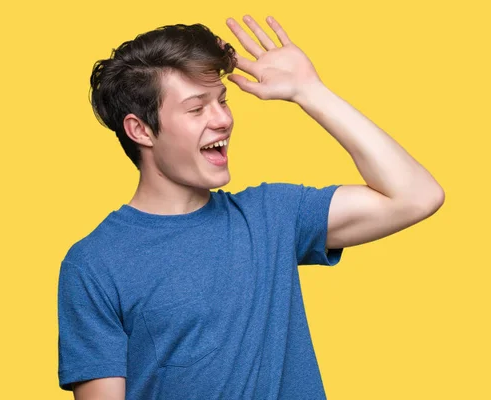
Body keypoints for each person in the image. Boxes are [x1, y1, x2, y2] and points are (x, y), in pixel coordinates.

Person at [57, 15, 444, 399]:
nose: (223, 119)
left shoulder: (272, 216)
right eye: (197, 109)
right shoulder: (94, 263)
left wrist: (310, 92)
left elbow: (416, 196)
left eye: (222, 101)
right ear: (140, 130)